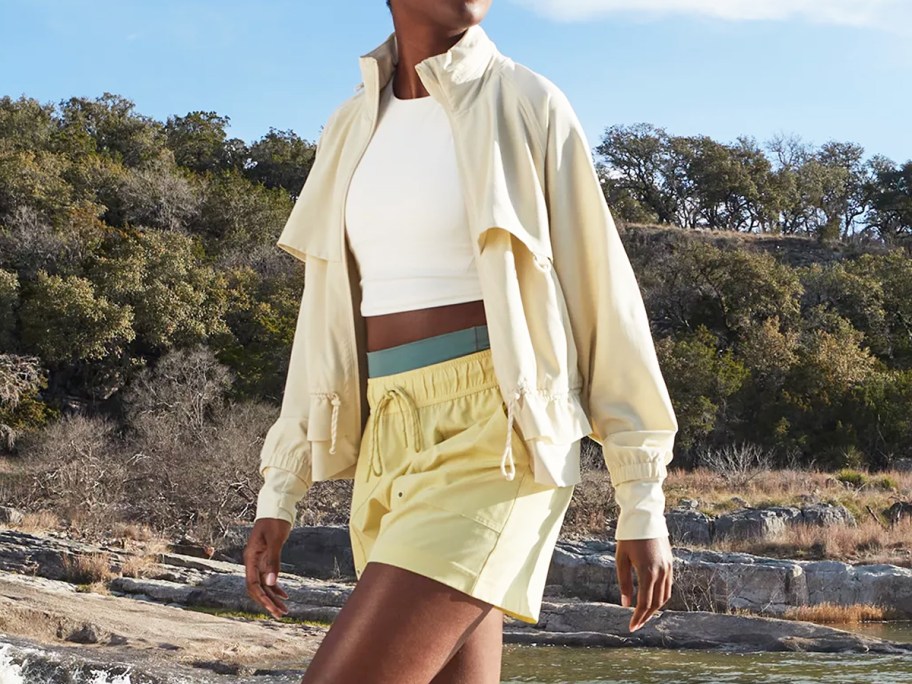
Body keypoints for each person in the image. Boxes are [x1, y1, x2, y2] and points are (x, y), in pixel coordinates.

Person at [243, 1, 679, 681]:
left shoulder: (528, 102)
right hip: (388, 437)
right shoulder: (349, 125)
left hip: (498, 439)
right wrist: (282, 487)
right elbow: (323, 321)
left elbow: (607, 300)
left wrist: (642, 499)